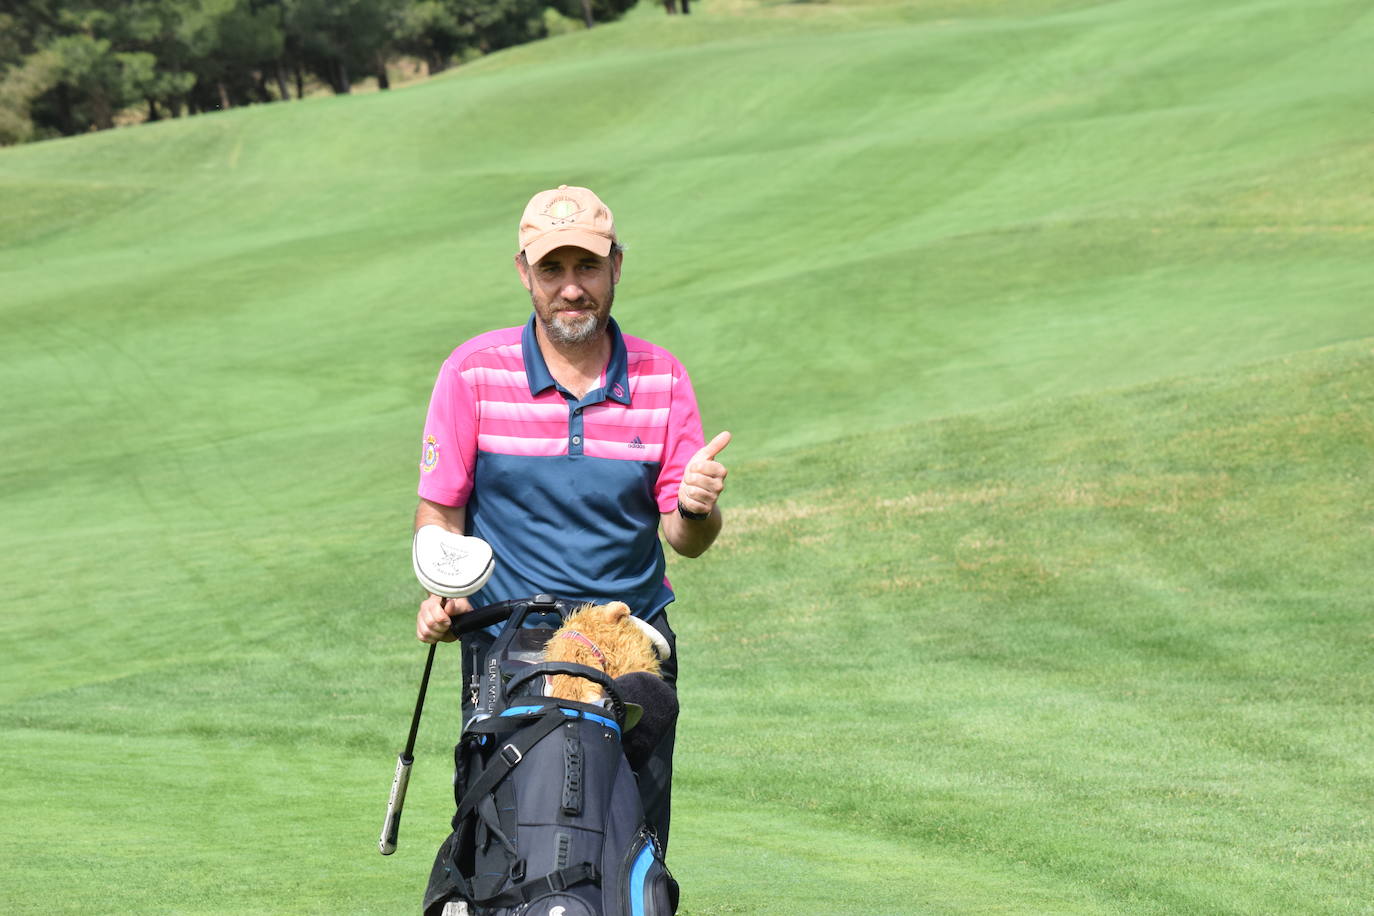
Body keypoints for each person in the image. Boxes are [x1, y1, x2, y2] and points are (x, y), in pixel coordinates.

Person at [412, 184, 729, 849]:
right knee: (505, 841)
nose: (571, 288)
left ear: (616, 266)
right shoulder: (473, 373)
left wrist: (697, 507)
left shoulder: (661, 378)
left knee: (628, 839)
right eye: (552, 269)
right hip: (511, 645)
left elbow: (685, 538)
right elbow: (439, 513)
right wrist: (442, 591)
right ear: (525, 272)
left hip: (632, 643)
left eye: (586, 266)